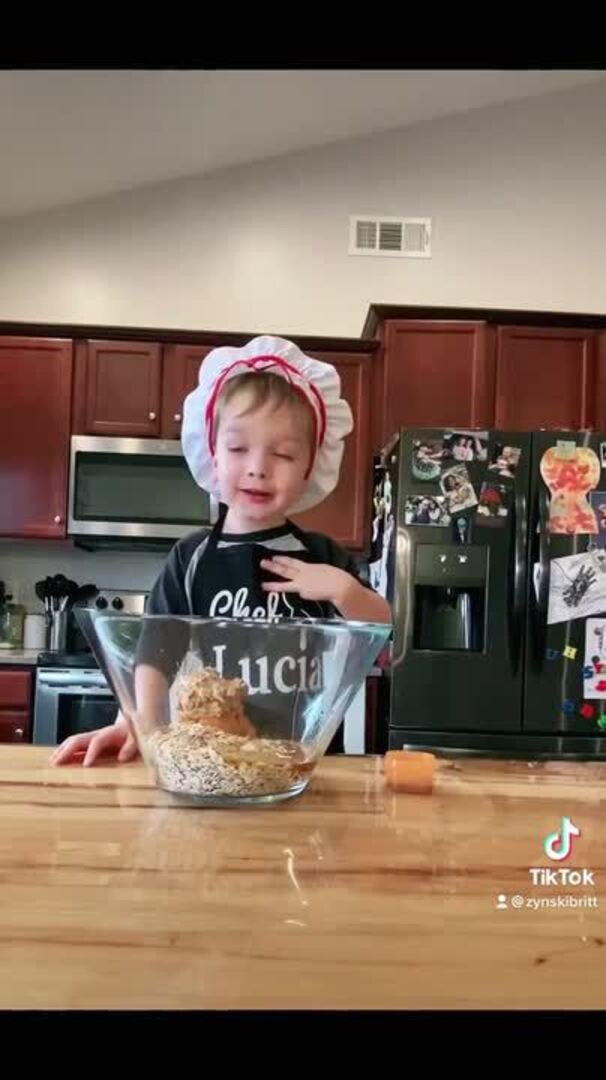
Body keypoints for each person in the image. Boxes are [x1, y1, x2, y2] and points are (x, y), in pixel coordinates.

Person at [51, 335, 392, 767]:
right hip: (212, 766)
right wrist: (136, 725)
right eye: (237, 448)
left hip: (296, 765)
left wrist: (344, 590)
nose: (258, 468)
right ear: (213, 454)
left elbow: (382, 628)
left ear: (311, 466)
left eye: (283, 454)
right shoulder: (190, 559)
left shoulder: (322, 556)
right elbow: (156, 653)